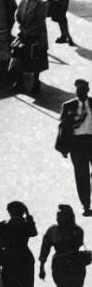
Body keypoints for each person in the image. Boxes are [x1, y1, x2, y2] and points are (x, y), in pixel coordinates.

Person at [57, 78, 92, 217]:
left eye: (83, 90)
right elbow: (63, 128)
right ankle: (86, 205)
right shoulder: (68, 106)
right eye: (78, 90)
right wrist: (64, 148)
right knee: (81, 175)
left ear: (88, 91)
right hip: (77, 144)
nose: (80, 93)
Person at [10, 0, 48, 93]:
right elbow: (17, 15)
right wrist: (22, 27)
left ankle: (36, 84)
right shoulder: (23, 2)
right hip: (24, 35)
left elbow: (40, 20)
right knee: (19, 57)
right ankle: (19, 82)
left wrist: (29, 30)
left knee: (36, 61)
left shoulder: (43, 3)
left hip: (37, 37)